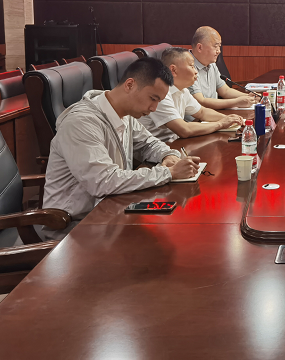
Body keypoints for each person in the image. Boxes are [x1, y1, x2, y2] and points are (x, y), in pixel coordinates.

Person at [41, 58, 200, 240]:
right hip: (75, 228)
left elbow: (149, 143)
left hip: (112, 212)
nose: (154, 108)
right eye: (152, 99)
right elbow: (103, 181)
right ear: (130, 85)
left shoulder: (125, 114)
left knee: (174, 234)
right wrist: (168, 173)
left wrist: (168, 155)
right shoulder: (81, 122)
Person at [140, 47, 244, 143]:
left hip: (173, 144)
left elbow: (202, 112)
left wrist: (229, 119)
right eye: (192, 66)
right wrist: (220, 124)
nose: (196, 72)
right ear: (173, 70)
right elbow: (184, 130)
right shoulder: (159, 94)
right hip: (155, 150)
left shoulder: (182, 90)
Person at [189, 26, 258, 111]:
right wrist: (236, 102)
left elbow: (225, 91)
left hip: (212, 114)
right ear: (200, 47)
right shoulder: (186, 67)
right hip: (198, 117)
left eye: (219, 46)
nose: (219, 51)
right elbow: (201, 101)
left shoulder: (211, 64)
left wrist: (250, 97)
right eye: (215, 46)